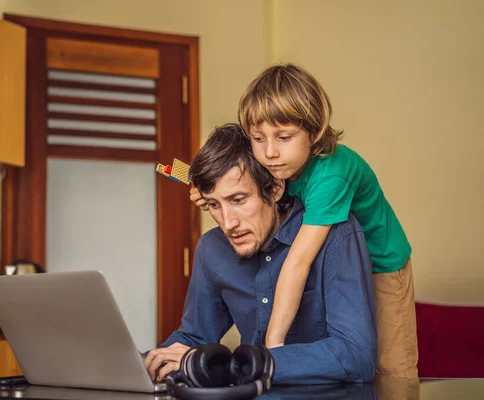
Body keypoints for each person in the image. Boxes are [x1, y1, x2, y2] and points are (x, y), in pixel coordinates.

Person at [190, 64, 417, 378]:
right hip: (335, 258)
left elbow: (297, 263)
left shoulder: (331, 176)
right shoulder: (280, 165)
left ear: (314, 131)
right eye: (258, 138)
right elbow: (234, 179)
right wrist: (210, 193)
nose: (269, 152)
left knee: (392, 368)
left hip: (383, 264)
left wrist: (272, 349)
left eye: (284, 137)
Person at [145, 123, 377, 385]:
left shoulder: (336, 235)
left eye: (238, 200)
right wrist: (146, 362)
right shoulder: (212, 249)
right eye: (214, 204)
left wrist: (237, 366)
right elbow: (194, 338)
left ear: (275, 189)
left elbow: (356, 357)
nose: (228, 223)